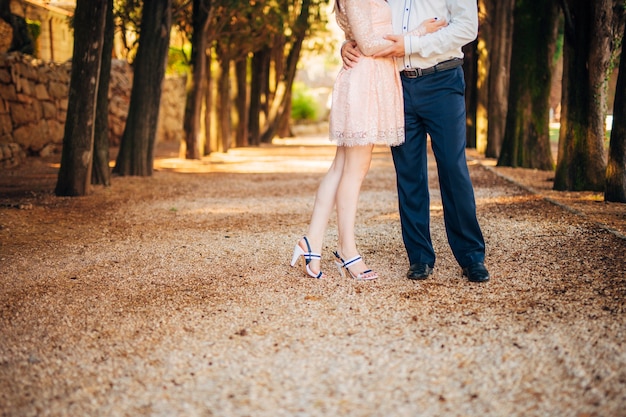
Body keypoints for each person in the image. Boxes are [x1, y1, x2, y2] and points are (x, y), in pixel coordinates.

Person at [290, 0, 445, 280]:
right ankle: (346, 250)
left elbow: (363, 36)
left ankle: (311, 240)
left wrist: (350, 43)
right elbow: (370, 44)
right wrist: (420, 32)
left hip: (371, 77)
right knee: (354, 169)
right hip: (364, 80)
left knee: (341, 168)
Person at [341, 0, 490, 283]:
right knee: (409, 174)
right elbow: (371, 21)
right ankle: (420, 257)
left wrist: (412, 45)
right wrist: (349, 44)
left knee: (453, 168)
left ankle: (472, 256)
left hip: (442, 80)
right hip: (397, 84)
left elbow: (467, 28)